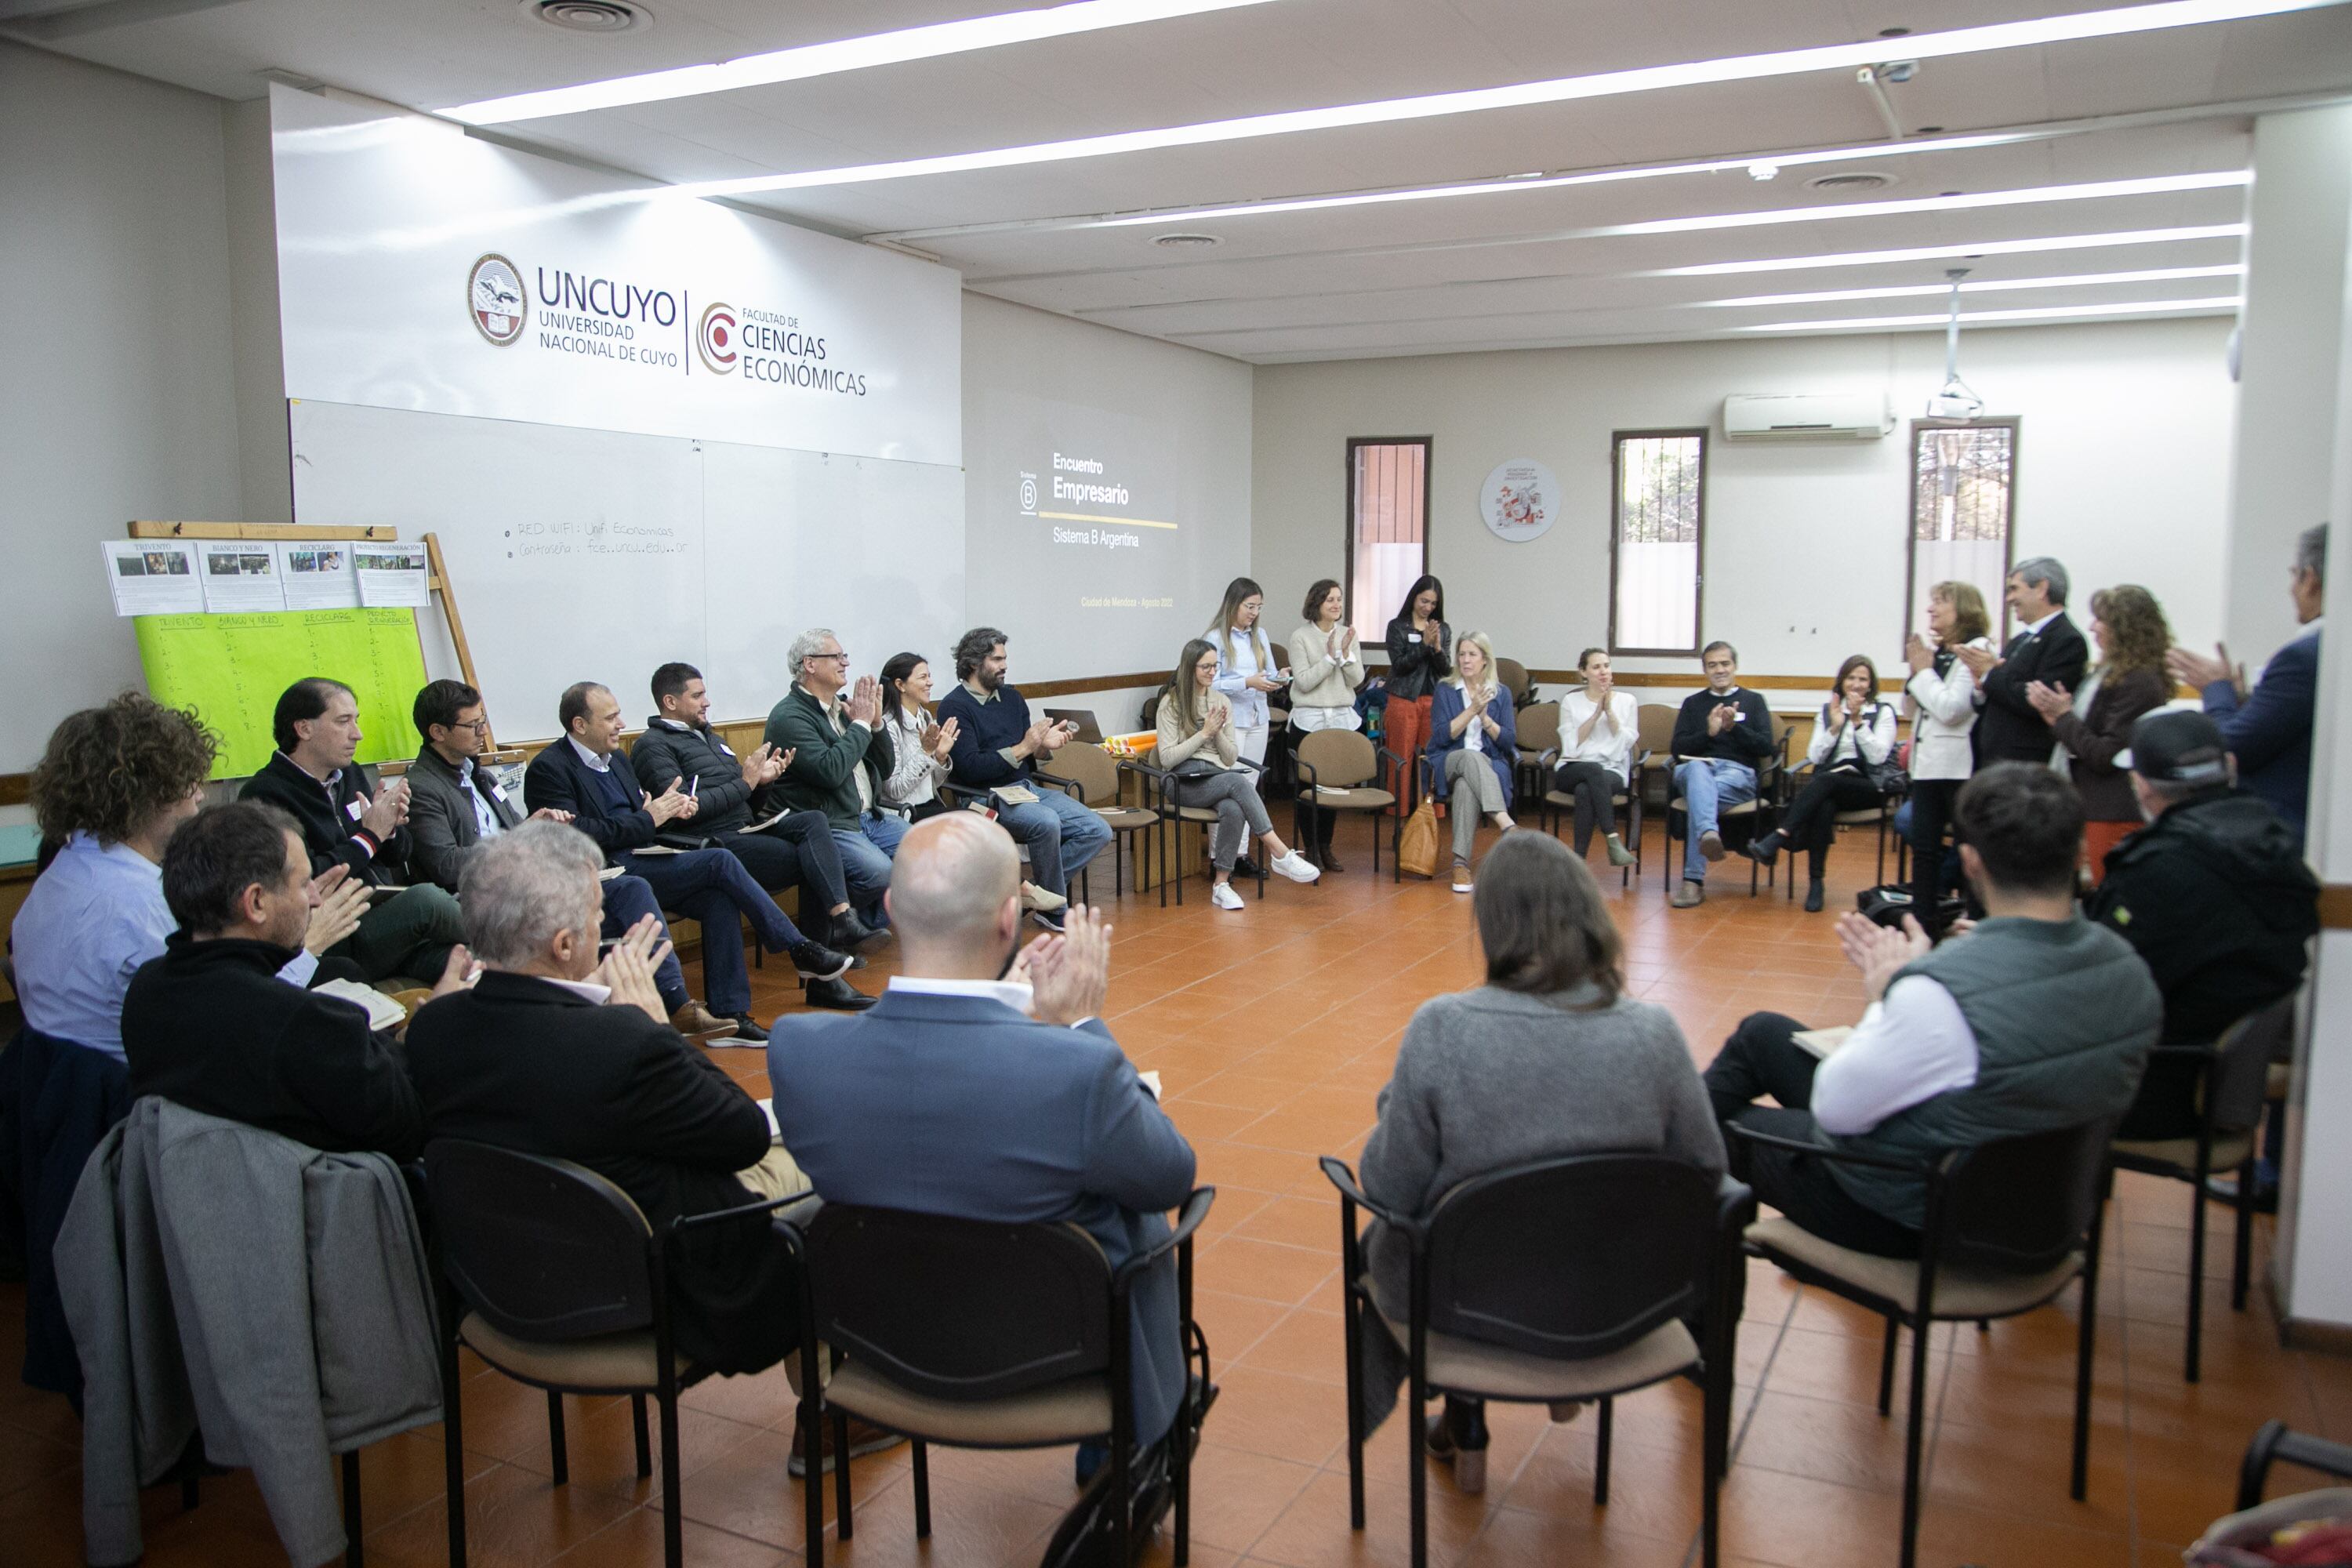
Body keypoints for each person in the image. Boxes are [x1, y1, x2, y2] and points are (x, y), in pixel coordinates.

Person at [766, 815, 1195, 1483]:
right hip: (1051, 1356)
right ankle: (1130, 1448)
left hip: (882, 1348)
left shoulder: (798, 1052)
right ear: (1008, 919)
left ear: (887, 909)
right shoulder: (1077, 1070)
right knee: (1128, 1203)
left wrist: (1007, 1013)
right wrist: (1079, 1025)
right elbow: (1171, 1176)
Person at [403, 822, 865, 1425]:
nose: (608, 932)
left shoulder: (433, 1030)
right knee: (832, 1158)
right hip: (662, 1290)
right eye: (599, 915)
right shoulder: (623, 1042)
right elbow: (741, 1135)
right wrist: (652, 1026)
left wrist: (589, 1005)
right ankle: (834, 1413)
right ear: (565, 945)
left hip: (503, 1288)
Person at [5, 697, 360, 1399]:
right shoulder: (135, 906)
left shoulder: (66, 873)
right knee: (347, 1100)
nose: (200, 800)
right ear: (148, 793)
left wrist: (285, 909)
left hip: (60, 1101)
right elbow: (222, 1027)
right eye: (191, 786)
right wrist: (305, 945)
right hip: (147, 1118)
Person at [1356, 833, 1726, 1490]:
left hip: (1466, 1301)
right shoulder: (1656, 1034)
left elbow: (1389, 1188)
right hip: (1617, 1299)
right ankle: (1513, 1395)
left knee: (1410, 1232)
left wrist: (1403, 1103)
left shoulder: (1443, 1029)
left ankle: (1464, 1416)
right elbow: (1705, 1172)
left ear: (1493, 922)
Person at [1702, 764, 2160, 1258]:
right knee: (1763, 1033)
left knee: (1714, 1127)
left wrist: (1888, 994)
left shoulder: (1939, 995)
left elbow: (1836, 1112)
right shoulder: (2131, 971)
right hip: (2050, 1213)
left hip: (1919, 1217)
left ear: (1971, 863)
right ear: (2077, 854)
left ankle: (1674, 1232)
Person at [401, 678, 741, 1041]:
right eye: (472, 725)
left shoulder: (480, 774)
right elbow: (447, 865)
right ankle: (676, 1005)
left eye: (483, 721)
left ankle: (728, 1011)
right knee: (636, 886)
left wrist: (543, 828)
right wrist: (523, 836)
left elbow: (519, 835)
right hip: (489, 901)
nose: (482, 732)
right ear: (437, 731)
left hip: (533, 883)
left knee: (713, 892)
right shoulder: (424, 787)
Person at [122, 801, 459, 1163]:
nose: (316, 899)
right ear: (256, 902)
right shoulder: (304, 1024)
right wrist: (432, 1034)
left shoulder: (146, 993)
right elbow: (413, 1128)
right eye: (303, 884)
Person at [524, 681, 866, 1036]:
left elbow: (639, 822)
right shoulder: (550, 768)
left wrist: (662, 811)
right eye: (610, 718)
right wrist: (648, 818)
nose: (621, 724)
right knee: (718, 862)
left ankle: (732, 1017)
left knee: (718, 898)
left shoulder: (619, 761)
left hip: (645, 854)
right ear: (580, 725)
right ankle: (799, 949)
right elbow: (575, 836)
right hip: (602, 871)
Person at [2088, 710, 2319, 1141]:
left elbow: (2105, 988)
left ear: (2140, 785)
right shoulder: (2277, 842)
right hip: (2226, 1082)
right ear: (2229, 768)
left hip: (2155, 1088)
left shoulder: (2159, 868)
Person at [630, 661, 885, 955]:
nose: (707, 702)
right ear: (670, 702)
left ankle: (842, 920)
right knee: (814, 860)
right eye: (698, 696)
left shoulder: (711, 738)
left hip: (746, 827)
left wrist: (763, 783)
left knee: (814, 822)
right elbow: (685, 809)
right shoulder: (653, 746)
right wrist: (746, 783)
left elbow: (744, 802)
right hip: (707, 841)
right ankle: (819, 952)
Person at [238, 677, 466, 982]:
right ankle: (519, 929)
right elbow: (309, 880)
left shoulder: (350, 773)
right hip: (338, 934)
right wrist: (370, 836)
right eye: (343, 722)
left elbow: (396, 856)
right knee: (426, 900)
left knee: (476, 962)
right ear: (303, 729)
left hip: (385, 916)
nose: (357, 735)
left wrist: (391, 830)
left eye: (356, 721)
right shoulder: (265, 794)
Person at [937, 626, 1113, 931]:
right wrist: (1025, 747)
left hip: (1026, 789)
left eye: (1005, 658)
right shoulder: (954, 706)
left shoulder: (1012, 698)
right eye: (996, 659)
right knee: (1045, 822)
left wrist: (1045, 747)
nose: (1004, 665)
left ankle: (1032, 892)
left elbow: (1028, 756)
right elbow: (970, 767)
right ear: (973, 664)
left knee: (1097, 829)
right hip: (983, 797)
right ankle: (1056, 908)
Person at [2169, 523, 2325, 847]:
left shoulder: (2305, 658)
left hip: (2286, 839)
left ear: (2310, 580)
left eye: (2294, 574)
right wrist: (2243, 702)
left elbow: (2233, 747)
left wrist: (2216, 690)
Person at [1156, 638, 1323, 909]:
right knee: (1236, 780)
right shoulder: (1171, 703)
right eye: (1205, 667)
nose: (1212, 672)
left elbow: (1230, 756)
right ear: (1189, 668)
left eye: (1215, 666)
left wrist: (1219, 733)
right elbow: (1166, 759)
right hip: (1181, 780)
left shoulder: (1220, 700)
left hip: (1215, 777)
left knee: (1233, 808)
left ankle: (1221, 885)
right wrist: (1204, 734)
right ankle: (1279, 852)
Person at [2027, 584, 2173, 880]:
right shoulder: (2108, 673)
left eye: (2101, 620)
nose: (2093, 627)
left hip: (2114, 810)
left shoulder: (2139, 682)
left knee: (2109, 899)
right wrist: (2059, 716)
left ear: (2124, 628)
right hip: (2092, 804)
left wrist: (2063, 717)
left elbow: (2105, 753)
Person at [761, 629, 906, 923]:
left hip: (870, 815)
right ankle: (841, 924)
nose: (845, 664)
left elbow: (885, 768)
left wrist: (875, 726)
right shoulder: (789, 716)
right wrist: (861, 726)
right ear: (810, 664)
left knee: (928, 853)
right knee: (880, 873)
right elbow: (829, 771)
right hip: (831, 823)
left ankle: (862, 924)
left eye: (845, 656)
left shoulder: (844, 708)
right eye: (836, 657)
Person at [1742, 656, 1897, 913]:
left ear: (1871, 685)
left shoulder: (1883, 712)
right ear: (1842, 682)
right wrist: (1834, 729)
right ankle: (1816, 883)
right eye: (1851, 678)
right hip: (1830, 786)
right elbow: (1814, 756)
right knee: (1824, 802)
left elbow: (1879, 757)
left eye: (1863, 679)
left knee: (1825, 781)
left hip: (1868, 786)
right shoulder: (1828, 712)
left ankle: (1779, 836)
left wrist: (1858, 723)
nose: (1856, 684)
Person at [1902, 582, 1994, 937]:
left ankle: (1972, 924)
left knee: (1969, 849)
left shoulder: (1976, 649)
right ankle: (1922, 928)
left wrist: (1922, 673)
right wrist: (1918, 671)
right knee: (1923, 850)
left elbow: (1953, 709)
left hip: (1959, 767)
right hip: (1927, 765)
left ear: (1964, 608)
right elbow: (1911, 709)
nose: (1931, 609)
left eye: (1940, 602)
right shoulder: (1937, 653)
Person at [1667, 641, 1774, 909]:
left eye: (1725, 663)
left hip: (1737, 774)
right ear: (1705, 670)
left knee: (1699, 797)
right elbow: (1678, 750)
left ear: (1735, 666)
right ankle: (1708, 833)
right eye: (1712, 665)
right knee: (1696, 771)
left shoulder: (1754, 701)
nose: (1720, 670)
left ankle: (1693, 881)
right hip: (1695, 768)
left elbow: (1766, 747)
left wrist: (1733, 728)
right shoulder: (1693, 704)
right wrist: (1710, 733)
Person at [1958, 557, 2090, 767]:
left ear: (2041, 588)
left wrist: (1990, 674)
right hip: (1995, 760)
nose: (2009, 599)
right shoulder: (2019, 640)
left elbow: (2040, 699)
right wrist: (1981, 688)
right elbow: (2000, 694)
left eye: (2014, 589)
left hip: (2026, 765)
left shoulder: (2067, 640)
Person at [1425, 631, 1518, 895]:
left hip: (1488, 766)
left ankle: (1460, 864)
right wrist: (1471, 710)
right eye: (1461, 654)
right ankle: (1506, 823)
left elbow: (1508, 741)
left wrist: (1486, 719)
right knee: (1469, 756)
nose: (1465, 660)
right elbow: (1442, 736)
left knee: (1467, 785)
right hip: (1448, 760)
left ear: (1485, 660)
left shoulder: (1501, 693)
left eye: (1472, 655)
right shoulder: (1446, 689)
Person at [1286, 579, 1366, 869]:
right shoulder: (1300, 637)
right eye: (1330, 600)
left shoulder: (1348, 635)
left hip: (1341, 718)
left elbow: (1357, 680)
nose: (1336, 605)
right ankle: (1310, 847)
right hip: (1309, 721)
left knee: (1333, 787)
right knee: (1308, 788)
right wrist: (1331, 658)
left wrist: (1344, 656)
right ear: (1316, 603)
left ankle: (1326, 846)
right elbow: (1304, 682)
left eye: (1339, 600)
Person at [1552, 648, 1639, 869]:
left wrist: (1609, 712)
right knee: (1591, 769)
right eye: (1596, 667)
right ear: (1583, 672)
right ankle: (1612, 838)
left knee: (1585, 790)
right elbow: (1571, 745)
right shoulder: (1571, 701)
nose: (1603, 672)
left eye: (1607, 666)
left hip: (1612, 769)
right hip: (1573, 768)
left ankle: (1578, 862)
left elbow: (1625, 745)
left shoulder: (1627, 701)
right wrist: (1595, 714)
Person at [1381, 575, 1451, 809]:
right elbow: (1399, 665)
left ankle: (1428, 815)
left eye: (1432, 603)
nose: (1427, 607)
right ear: (1413, 598)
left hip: (1433, 701)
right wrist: (1424, 645)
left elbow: (1446, 670)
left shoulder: (1443, 629)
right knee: (1400, 759)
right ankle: (1399, 817)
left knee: (1431, 760)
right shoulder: (1397, 626)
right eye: (1423, 601)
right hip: (1403, 700)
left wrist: (1437, 648)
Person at [1205, 576, 1283, 768]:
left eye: (1259, 607)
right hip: (1231, 719)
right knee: (1233, 779)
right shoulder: (1215, 638)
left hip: (1259, 717)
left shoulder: (1260, 635)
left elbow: (1269, 673)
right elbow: (1211, 685)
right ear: (1233, 604)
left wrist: (1280, 678)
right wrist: (1247, 682)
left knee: (1253, 779)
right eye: (1250, 606)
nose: (1255, 613)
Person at [876, 652, 958, 823]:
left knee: (981, 821)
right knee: (971, 822)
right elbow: (895, 790)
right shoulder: (887, 726)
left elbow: (931, 784)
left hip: (930, 805)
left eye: (929, 676)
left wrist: (940, 757)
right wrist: (926, 752)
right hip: (904, 813)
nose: (930, 682)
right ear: (900, 685)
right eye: (923, 677)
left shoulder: (925, 716)